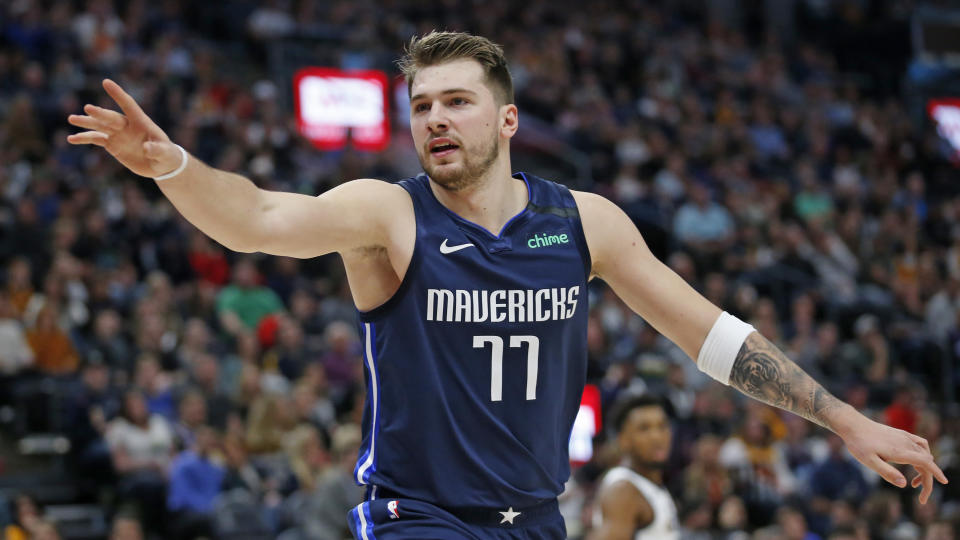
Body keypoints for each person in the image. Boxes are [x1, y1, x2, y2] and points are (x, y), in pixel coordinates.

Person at [68, 30, 946, 540]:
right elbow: (256, 219)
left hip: (536, 519)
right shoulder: (389, 214)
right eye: (421, 106)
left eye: (456, 101)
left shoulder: (585, 223)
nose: (436, 119)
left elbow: (710, 335)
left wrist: (847, 420)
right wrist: (171, 164)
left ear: (507, 119)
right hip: (420, 517)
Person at [591, 395, 679, 539]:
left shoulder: (648, 483)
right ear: (622, 440)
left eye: (662, 426)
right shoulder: (623, 490)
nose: (656, 436)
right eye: (644, 429)